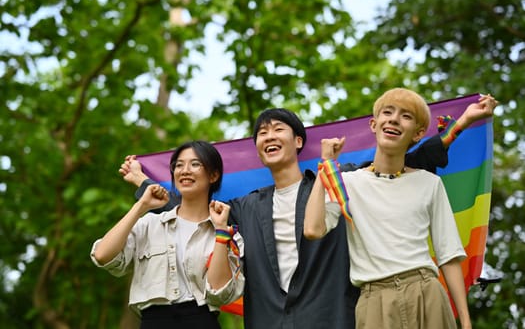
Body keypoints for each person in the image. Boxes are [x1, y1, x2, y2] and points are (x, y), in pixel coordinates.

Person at [119, 95, 496, 329]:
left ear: (298, 141)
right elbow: (193, 210)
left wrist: (458, 126)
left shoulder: (338, 183)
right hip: (269, 320)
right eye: (261, 133)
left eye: (278, 128)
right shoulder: (246, 206)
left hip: (333, 317)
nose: (269, 136)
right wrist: (142, 182)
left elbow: (402, 163)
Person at [303, 88, 492, 329]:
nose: (393, 119)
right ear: (374, 124)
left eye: (406, 116)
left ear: (418, 133)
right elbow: (312, 229)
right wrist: (325, 165)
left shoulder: (429, 183)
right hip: (374, 300)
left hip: (426, 291)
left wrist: (465, 321)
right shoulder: (348, 182)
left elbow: (449, 255)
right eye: (388, 112)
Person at [91, 140, 244, 329]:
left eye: (195, 164)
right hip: (152, 322)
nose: (185, 170)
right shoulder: (150, 224)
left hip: (202, 321)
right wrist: (141, 207)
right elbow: (102, 255)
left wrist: (221, 231)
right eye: (179, 165)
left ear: (213, 175)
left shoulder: (227, 233)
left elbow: (219, 291)